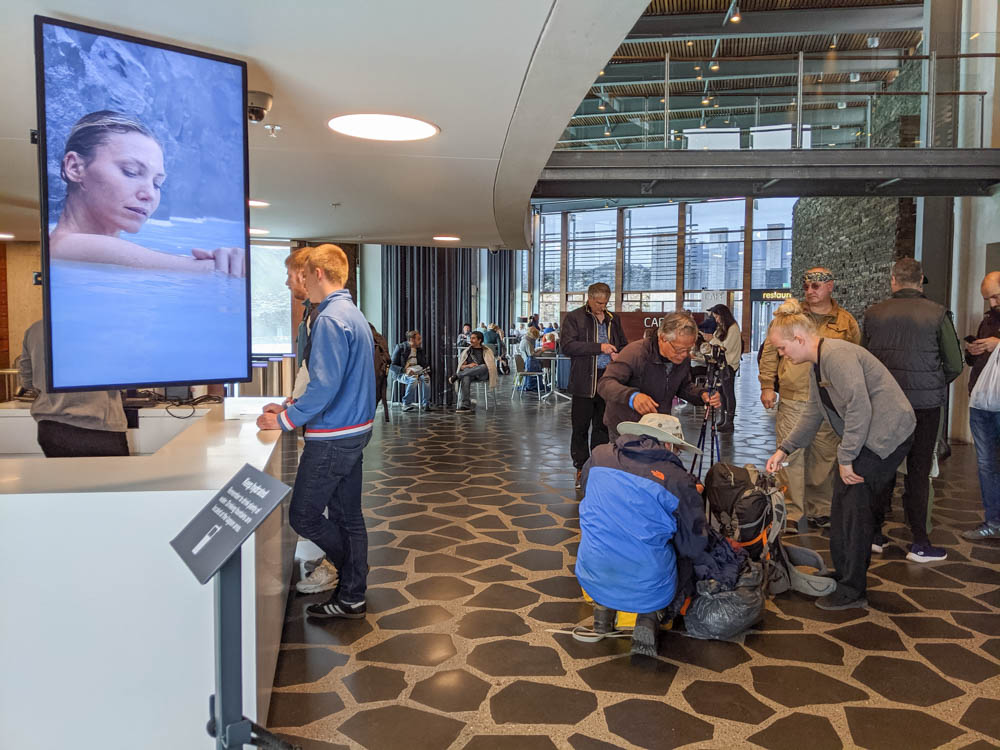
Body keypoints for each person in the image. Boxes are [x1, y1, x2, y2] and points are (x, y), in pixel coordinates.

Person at [765, 299, 915, 610]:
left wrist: (846, 458)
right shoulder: (818, 362)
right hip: (869, 435)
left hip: (886, 435)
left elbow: (859, 409)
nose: (782, 355)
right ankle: (845, 574)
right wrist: (785, 448)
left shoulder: (837, 356)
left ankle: (853, 589)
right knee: (843, 505)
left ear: (799, 339)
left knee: (854, 510)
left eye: (782, 348)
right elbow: (813, 412)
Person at [257, 244, 376, 619]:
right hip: (353, 431)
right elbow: (336, 381)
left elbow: (324, 386)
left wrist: (284, 421)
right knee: (347, 517)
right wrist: (294, 408)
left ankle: (354, 578)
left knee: (304, 516)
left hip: (333, 437)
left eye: (303, 275)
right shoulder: (351, 313)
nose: (300, 282)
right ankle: (352, 595)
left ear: (318, 273)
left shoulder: (329, 318)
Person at [576, 413, 711, 656]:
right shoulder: (676, 478)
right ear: (668, 444)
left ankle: (603, 608)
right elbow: (694, 544)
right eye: (677, 448)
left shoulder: (599, 455)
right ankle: (649, 617)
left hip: (591, 573)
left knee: (608, 532)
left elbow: (588, 490)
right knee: (684, 555)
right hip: (650, 586)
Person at [50, 110, 243, 276]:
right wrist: (235, 264)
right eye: (130, 172)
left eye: (158, 183)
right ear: (75, 168)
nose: (149, 194)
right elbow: (209, 272)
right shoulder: (67, 247)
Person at [863, 258, 963, 562]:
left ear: (893, 280)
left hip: (885, 404)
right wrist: (932, 383)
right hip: (925, 406)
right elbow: (955, 364)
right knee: (919, 472)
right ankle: (920, 541)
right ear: (921, 282)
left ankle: (875, 534)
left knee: (883, 465)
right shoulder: (937, 314)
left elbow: (864, 360)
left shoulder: (873, 314)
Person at [758, 268, 861, 530]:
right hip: (795, 396)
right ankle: (791, 511)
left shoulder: (845, 321)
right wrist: (767, 385)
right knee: (790, 457)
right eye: (806, 287)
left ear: (830, 286)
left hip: (828, 399)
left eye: (816, 287)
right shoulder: (788, 319)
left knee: (824, 457)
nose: (810, 292)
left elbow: (853, 356)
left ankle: (820, 509)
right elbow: (770, 352)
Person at [599, 312, 721, 443]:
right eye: (679, 350)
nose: (684, 355)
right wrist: (632, 397)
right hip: (627, 427)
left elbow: (683, 386)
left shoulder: (682, 358)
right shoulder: (635, 353)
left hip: (659, 426)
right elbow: (605, 383)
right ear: (663, 338)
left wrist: (701, 395)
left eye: (689, 349)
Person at [16, 319, 128, 457]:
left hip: (50, 427)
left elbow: (27, 380)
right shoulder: (99, 327)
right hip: (97, 426)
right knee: (116, 478)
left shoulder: (35, 329)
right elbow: (124, 374)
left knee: (65, 478)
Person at [561, 283, 628, 488]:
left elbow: (623, 343)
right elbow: (567, 346)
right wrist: (599, 347)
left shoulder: (612, 319)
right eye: (599, 302)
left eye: (605, 302)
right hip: (584, 380)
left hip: (608, 379)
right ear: (589, 298)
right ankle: (581, 466)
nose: (602, 306)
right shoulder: (574, 317)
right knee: (580, 427)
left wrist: (619, 354)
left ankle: (597, 466)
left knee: (602, 426)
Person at [963, 270, 1000, 540]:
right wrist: (972, 351)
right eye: (988, 299)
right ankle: (993, 520)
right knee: (986, 464)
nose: (992, 304)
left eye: (996, 297)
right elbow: (977, 362)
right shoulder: (988, 320)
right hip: (982, 402)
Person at [706, 304, 742, 433]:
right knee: (721, 392)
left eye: (717, 317)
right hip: (722, 364)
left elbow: (725, 346)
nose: (716, 320)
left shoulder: (733, 328)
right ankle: (723, 419)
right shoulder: (723, 328)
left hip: (729, 365)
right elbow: (715, 341)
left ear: (722, 315)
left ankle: (730, 422)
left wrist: (714, 342)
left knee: (728, 393)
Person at [449, 330, 498, 412]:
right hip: (470, 374)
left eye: (473, 338)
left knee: (483, 366)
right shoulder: (467, 351)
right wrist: (469, 365)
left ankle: (457, 376)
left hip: (483, 374)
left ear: (479, 340)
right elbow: (462, 367)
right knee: (466, 376)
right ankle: (465, 405)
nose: (471, 340)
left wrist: (476, 367)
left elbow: (490, 366)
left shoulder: (487, 351)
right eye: (471, 338)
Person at [390, 330, 432, 412]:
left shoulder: (419, 350)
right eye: (418, 339)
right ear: (412, 339)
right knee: (413, 380)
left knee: (426, 378)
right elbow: (391, 365)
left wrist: (426, 369)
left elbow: (423, 363)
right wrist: (404, 370)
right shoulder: (400, 347)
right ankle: (406, 404)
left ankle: (426, 403)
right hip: (402, 373)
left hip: (417, 371)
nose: (420, 341)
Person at [518, 326, 543, 391]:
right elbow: (532, 355)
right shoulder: (527, 342)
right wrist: (541, 351)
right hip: (529, 364)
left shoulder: (524, 340)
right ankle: (538, 385)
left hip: (524, 362)